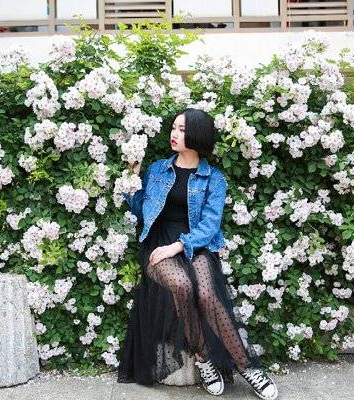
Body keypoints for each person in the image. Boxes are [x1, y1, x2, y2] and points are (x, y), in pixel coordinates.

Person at [117, 108, 278, 400]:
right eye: (173, 128)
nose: (174, 134)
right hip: (159, 243)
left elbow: (209, 225)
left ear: (197, 135)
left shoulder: (214, 179)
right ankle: (204, 358)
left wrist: (179, 245)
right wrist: (132, 178)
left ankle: (248, 368)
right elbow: (140, 211)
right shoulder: (157, 169)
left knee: (205, 294)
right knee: (181, 285)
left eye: (181, 130)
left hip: (195, 244)